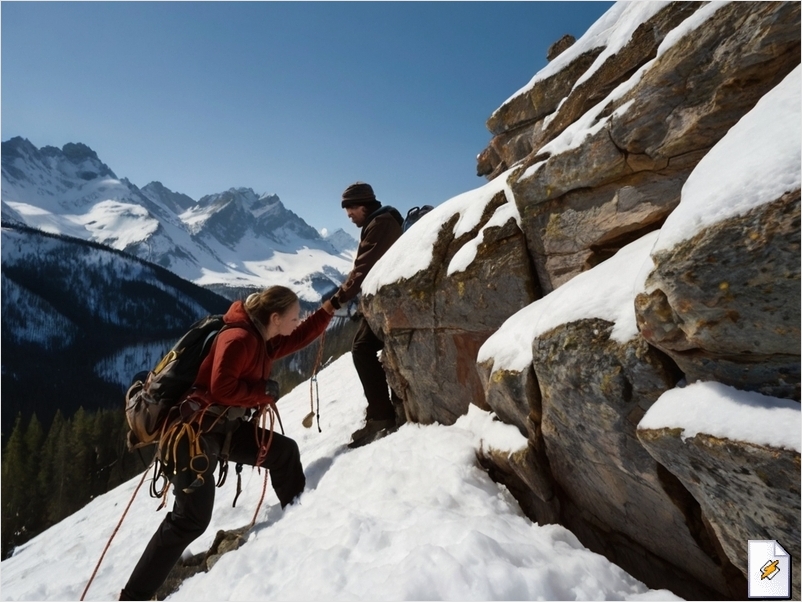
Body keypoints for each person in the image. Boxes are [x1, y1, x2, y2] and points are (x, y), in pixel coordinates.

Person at [120, 286, 334, 600]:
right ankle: (134, 597)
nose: (296, 321)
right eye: (292, 317)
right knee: (190, 519)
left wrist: (331, 307)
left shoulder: (260, 337)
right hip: (193, 436)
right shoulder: (240, 340)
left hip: (219, 429)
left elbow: (296, 338)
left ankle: (299, 522)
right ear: (274, 318)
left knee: (283, 453)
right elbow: (222, 388)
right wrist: (264, 392)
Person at [327, 182, 404, 447]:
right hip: (384, 301)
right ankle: (381, 410)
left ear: (362, 205)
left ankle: (382, 415)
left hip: (391, 301)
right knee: (362, 349)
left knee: (361, 349)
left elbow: (363, 268)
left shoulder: (380, 224)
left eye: (350, 209)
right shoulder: (378, 222)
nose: (349, 215)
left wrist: (337, 300)